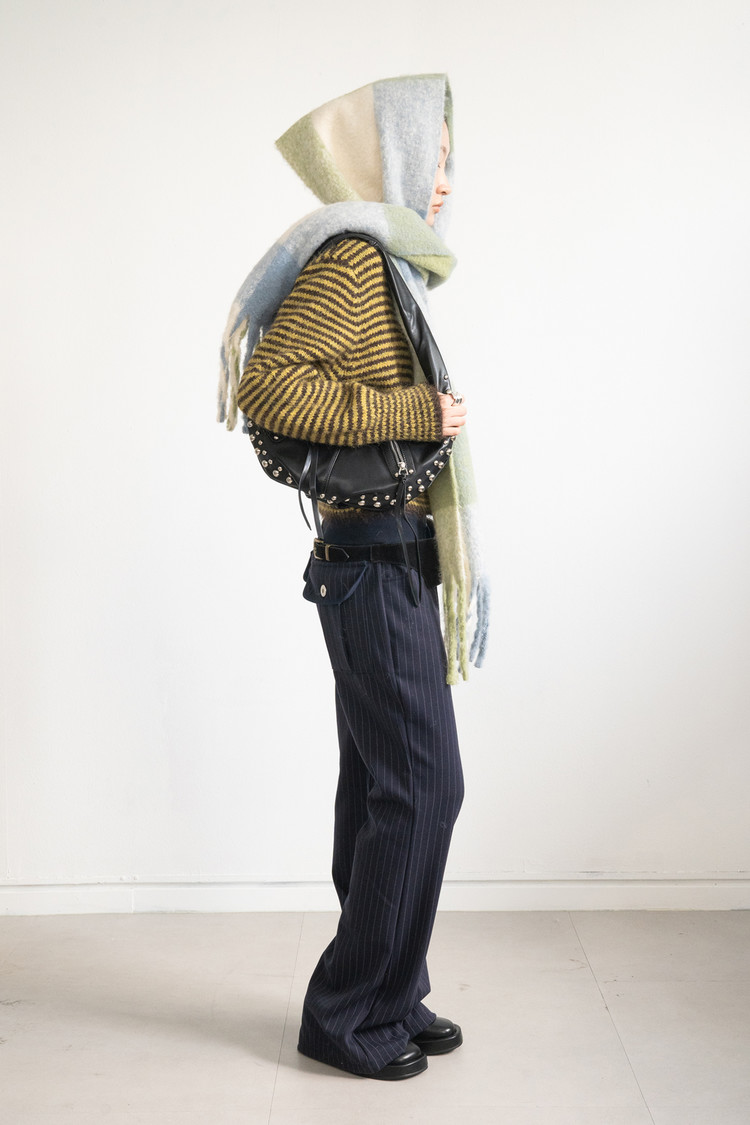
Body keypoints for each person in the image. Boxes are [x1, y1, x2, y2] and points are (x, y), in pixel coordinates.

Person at [218, 74, 489, 1081]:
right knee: (422, 786)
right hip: (368, 561)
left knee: (387, 782)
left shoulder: (389, 262)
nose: (446, 184)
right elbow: (269, 386)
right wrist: (417, 413)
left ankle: (389, 991)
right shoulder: (353, 257)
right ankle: (345, 1012)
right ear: (393, 158)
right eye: (436, 162)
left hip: (386, 558)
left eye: (451, 165)